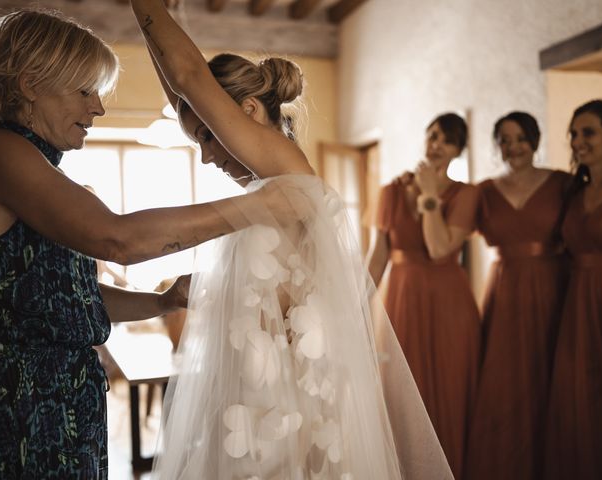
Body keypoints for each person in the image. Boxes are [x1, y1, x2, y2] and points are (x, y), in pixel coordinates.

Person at [129, 0, 454, 479]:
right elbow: (184, 87)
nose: (205, 157)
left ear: (247, 111)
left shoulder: (285, 171)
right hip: (258, 396)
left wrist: (145, 7)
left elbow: (190, 79)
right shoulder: (270, 185)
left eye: (208, 136)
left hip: (286, 404)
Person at [0, 8, 305, 479]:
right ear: (32, 84)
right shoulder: (2, 153)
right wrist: (257, 208)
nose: (97, 107)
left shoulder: (39, 167)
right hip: (21, 413)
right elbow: (117, 239)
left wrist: (164, 301)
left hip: (63, 410)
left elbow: (70, 298)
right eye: (84, 91)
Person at [366, 112, 481, 479]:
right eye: (432, 136)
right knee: (401, 389)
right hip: (401, 297)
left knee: (449, 387)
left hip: (449, 302)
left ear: (458, 150)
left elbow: (438, 249)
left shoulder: (466, 194)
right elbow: (378, 256)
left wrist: (430, 195)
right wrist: (352, 306)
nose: (436, 145)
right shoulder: (390, 192)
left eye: (446, 140)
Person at [464, 112, 570, 480]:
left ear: (535, 141)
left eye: (520, 138)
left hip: (553, 286)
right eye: (505, 140)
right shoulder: (484, 191)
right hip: (504, 289)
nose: (513, 147)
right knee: (503, 380)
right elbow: (451, 230)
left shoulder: (564, 184)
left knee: (552, 374)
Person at [544, 99, 602, 480]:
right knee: (580, 401)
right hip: (577, 308)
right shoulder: (572, 195)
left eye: (589, 132)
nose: (578, 141)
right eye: (574, 134)